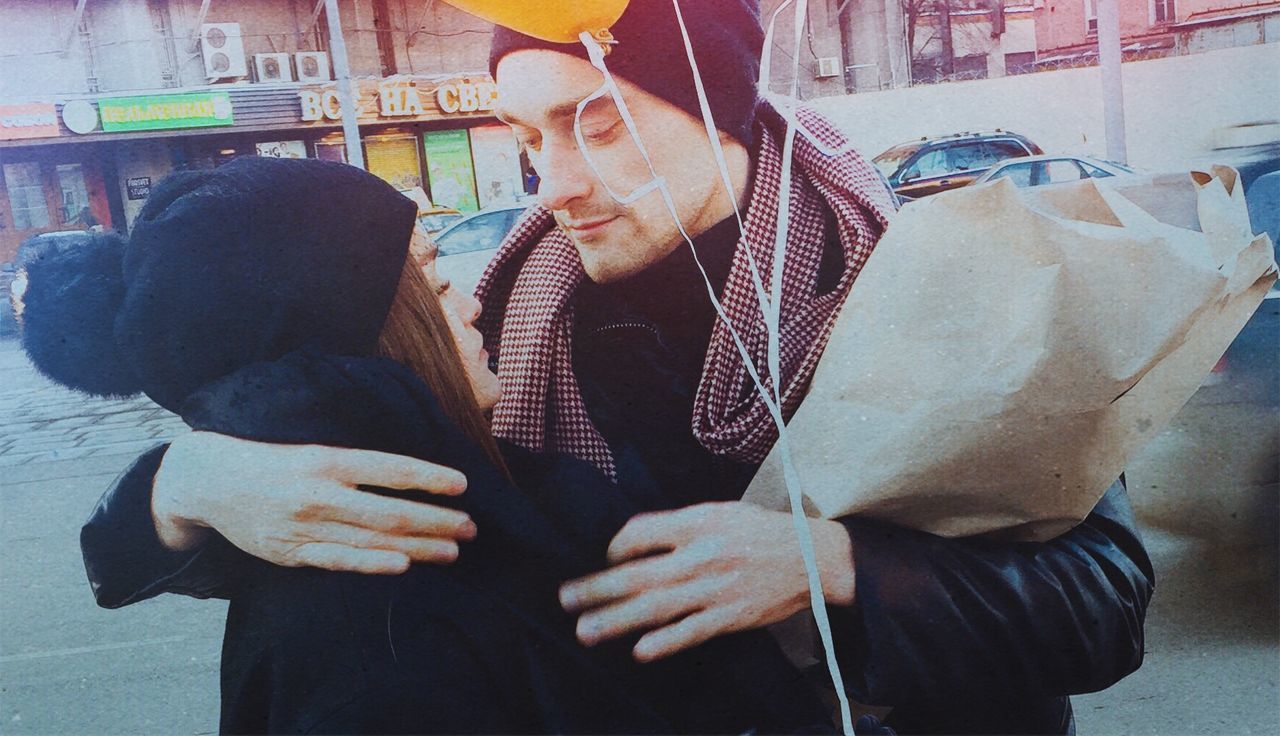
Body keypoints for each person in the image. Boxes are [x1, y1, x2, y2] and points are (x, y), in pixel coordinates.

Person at [77, 0, 1153, 735]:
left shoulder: (938, 282)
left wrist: (834, 565)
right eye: (527, 134)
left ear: (712, 101)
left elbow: (1101, 598)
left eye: (592, 121)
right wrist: (188, 485)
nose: (552, 183)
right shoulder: (503, 321)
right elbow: (386, 538)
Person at [21, 155, 841, 734]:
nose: (474, 300)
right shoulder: (375, 614)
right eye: (431, 279)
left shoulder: (483, 497)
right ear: (356, 336)